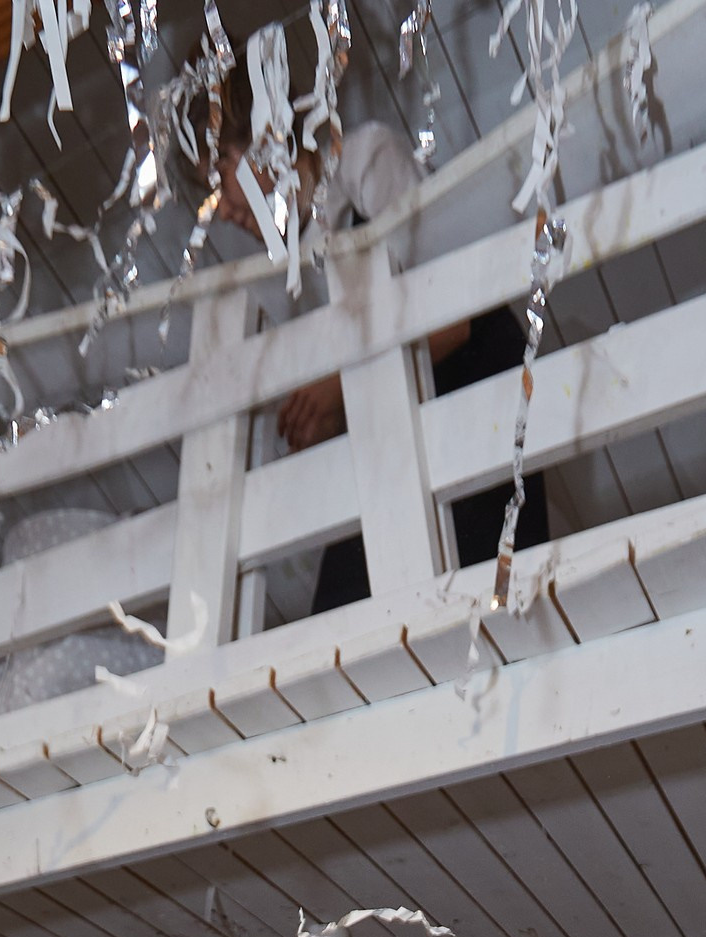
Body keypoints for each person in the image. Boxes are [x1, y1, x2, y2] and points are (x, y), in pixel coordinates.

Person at [209, 87, 549, 611]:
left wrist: (338, 390)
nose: (221, 210)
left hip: (476, 400)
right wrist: (325, 416)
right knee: (345, 614)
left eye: (219, 175)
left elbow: (456, 318)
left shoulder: (362, 160)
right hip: (399, 438)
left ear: (265, 140)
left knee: (492, 609)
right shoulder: (293, 264)